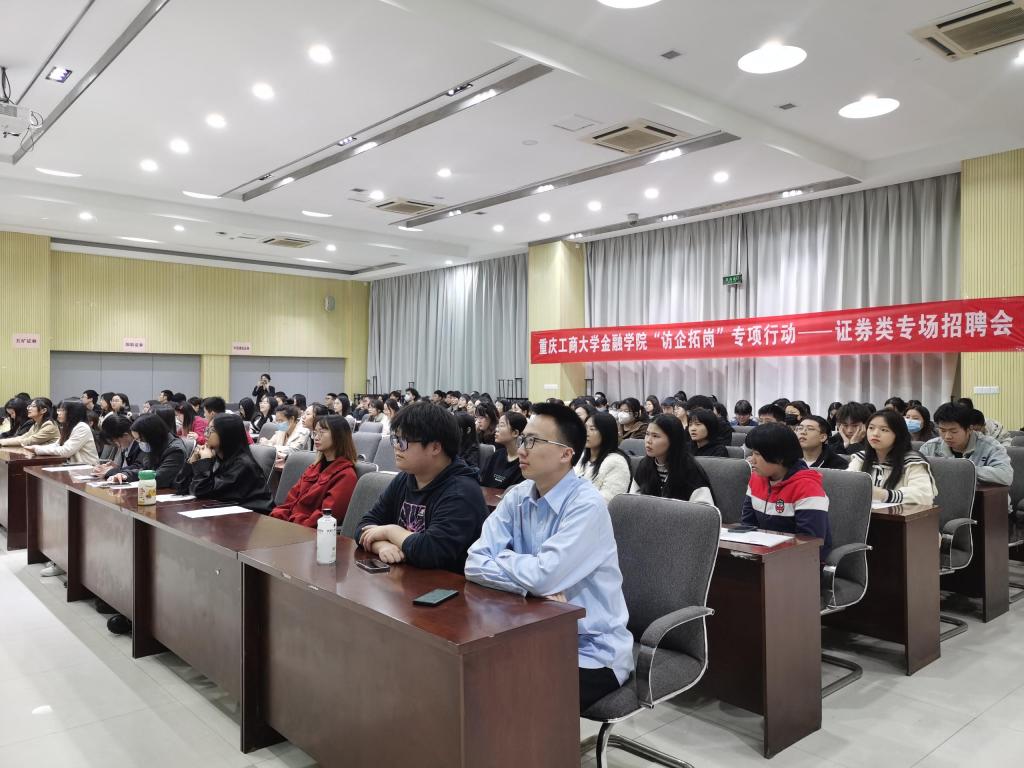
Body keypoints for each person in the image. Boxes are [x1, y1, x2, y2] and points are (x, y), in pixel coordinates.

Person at [464, 401, 634, 712]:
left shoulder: (587, 506)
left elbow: (543, 577)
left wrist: (505, 560)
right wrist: (529, 585)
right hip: (530, 632)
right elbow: (474, 562)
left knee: (503, 690)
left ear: (566, 454)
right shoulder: (517, 496)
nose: (521, 449)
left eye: (532, 441)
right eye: (522, 439)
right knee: (466, 673)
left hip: (590, 651)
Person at [355, 402, 487, 571]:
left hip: (447, 584)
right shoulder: (405, 478)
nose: (396, 447)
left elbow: (431, 551)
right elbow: (363, 526)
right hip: (406, 577)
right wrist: (381, 546)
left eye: (404, 441)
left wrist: (390, 531)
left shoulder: (462, 491)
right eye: (396, 439)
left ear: (435, 447)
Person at [741, 423, 832, 560]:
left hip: (799, 562)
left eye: (757, 454)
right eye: (752, 453)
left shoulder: (807, 488)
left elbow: (809, 544)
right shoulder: (756, 478)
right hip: (763, 557)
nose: (751, 459)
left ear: (779, 457)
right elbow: (748, 524)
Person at [271, 415, 358, 527]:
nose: (316, 437)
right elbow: (290, 500)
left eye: (321, 432)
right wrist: (277, 516)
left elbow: (325, 517)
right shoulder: (314, 467)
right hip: (291, 524)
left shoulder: (346, 476)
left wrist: (291, 522)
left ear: (338, 436)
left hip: (307, 530)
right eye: (315, 432)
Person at [174, 414, 273, 511]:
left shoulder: (242, 465)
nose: (206, 434)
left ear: (227, 434)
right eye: (207, 429)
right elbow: (180, 487)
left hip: (251, 515)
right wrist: (192, 460)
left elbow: (201, 491)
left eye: (212, 430)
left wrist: (204, 462)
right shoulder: (216, 456)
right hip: (227, 511)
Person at [845, 411, 937, 505]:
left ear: (898, 434)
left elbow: (924, 496)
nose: (875, 433)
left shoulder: (912, 461)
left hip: (900, 513)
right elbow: (846, 485)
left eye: (884, 430)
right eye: (871, 428)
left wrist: (883, 495)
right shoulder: (861, 458)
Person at [629, 413, 713, 505]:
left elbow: (704, 509)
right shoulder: (645, 465)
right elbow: (632, 501)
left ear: (673, 440)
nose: (648, 440)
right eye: (647, 434)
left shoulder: (690, 469)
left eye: (655, 436)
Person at [919, 403, 1013, 485]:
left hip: (983, 498)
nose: (947, 436)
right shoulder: (930, 447)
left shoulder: (990, 446)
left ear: (970, 429)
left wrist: (965, 469)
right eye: (942, 430)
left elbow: (1006, 476)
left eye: (954, 431)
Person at [107, 414, 187, 488]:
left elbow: (160, 477)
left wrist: (132, 475)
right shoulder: (155, 445)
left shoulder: (175, 450)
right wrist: (125, 475)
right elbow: (145, 470)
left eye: (139, 439)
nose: (139, 443)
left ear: (150, 435)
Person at [574, 412, 631, 503]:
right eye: (585, 428)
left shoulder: (616, 462)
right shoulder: (582, 456)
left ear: (606, 433)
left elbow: (608, 501)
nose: (586, 433)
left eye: (592, 429)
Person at [26, 400, 99, 466]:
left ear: (73, 413)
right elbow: (57, 445)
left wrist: (37, 449)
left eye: (62, 410)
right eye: (59, 410)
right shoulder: (68, 426)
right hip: (73, 466)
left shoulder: (81, 427)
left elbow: (66, 451)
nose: (58, 413)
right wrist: (36, 448)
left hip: (87, 468)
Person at [479, 412, 526, 489]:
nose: (496, 429)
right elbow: (482, 482)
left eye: (501, 425)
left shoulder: (524, 462)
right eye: (497, 425)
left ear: (515, 433)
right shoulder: (496, 455)